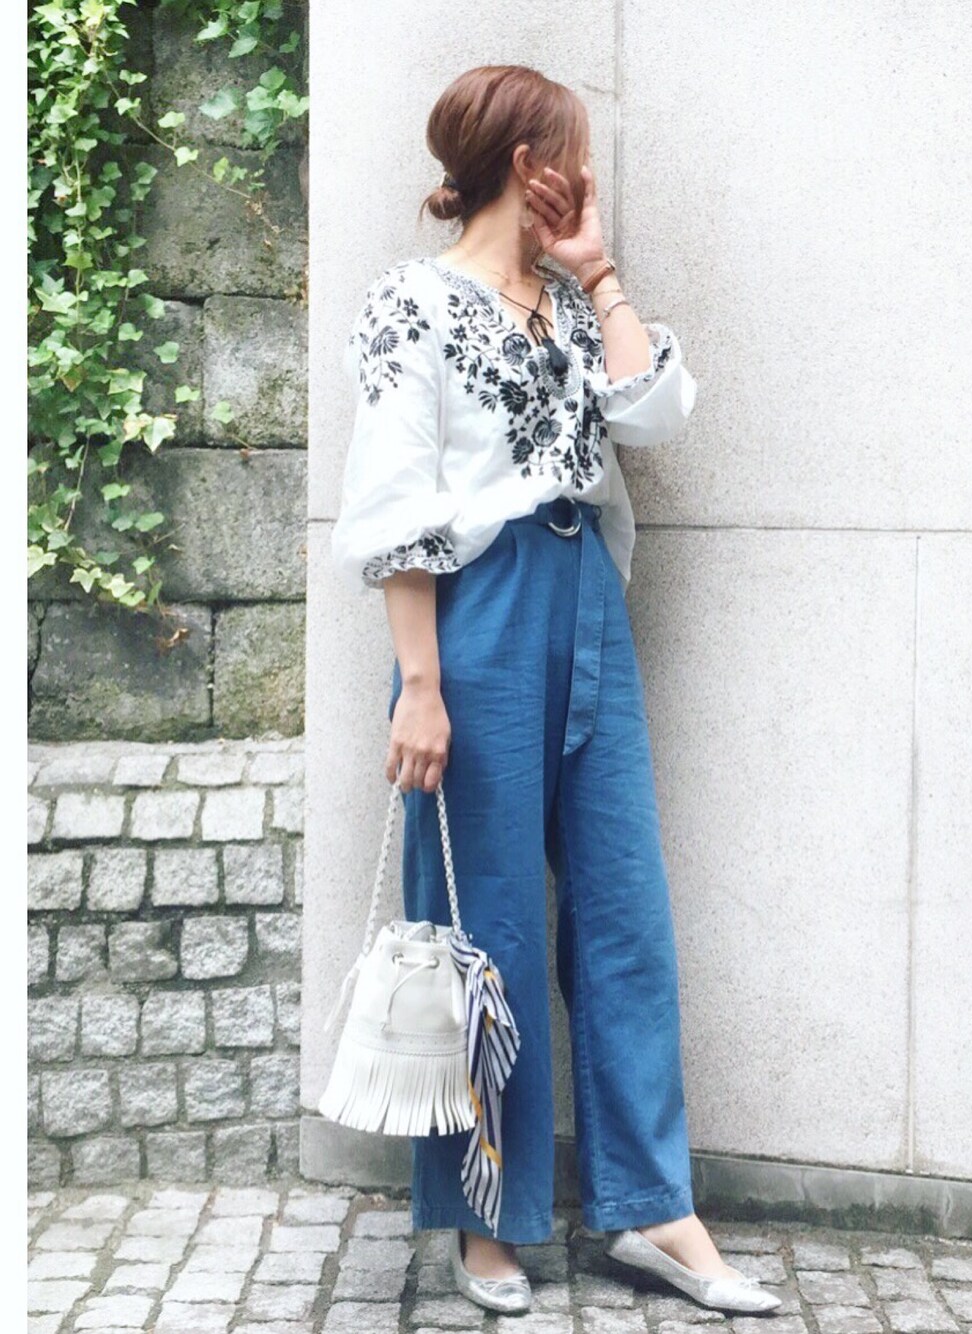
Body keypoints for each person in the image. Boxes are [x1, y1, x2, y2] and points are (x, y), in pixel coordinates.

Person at [329, 64, 782, 1318]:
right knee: (488, 929)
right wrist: (419, 683)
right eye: (572, 153)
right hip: (476, 614)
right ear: (526, 163)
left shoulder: (574, 305)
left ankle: (649, 1204)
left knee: (624, 912)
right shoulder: (412, 302)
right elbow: (394, 501)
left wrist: (598, 268)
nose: (585, 174)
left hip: (588, 603)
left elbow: (655, 415)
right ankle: (489, 1211)